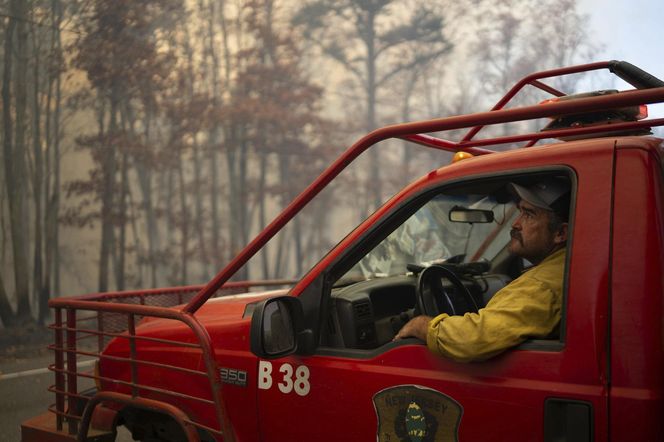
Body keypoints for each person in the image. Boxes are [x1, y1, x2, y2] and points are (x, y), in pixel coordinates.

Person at [393, 178, 570, 362]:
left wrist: (420, 326)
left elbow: (472, 339)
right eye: (519, 212)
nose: (515, 224)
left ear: (560, 234)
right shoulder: (563, 268)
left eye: (529, 215)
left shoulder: (541, 286)